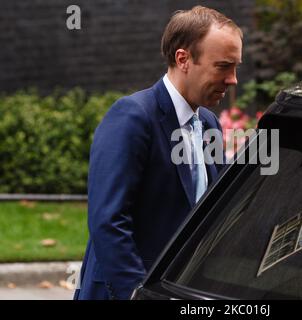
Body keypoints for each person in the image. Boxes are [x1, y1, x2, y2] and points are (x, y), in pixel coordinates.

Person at [74, 6, 242, 300]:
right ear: (183, 59)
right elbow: (108, 221)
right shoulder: (132, 117)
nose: (233, 79)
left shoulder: (209, 123)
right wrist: (138, 295)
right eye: (223, 66)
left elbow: (216, 211)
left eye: (236, 67)